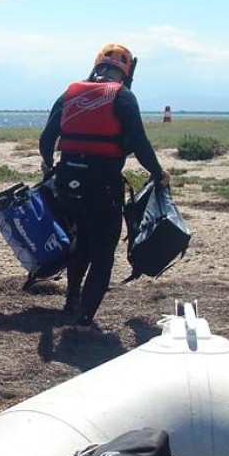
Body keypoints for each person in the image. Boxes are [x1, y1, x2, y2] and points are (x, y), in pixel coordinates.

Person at [38, 43, 169, 329]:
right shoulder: (123, 96)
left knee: (79, 244)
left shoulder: (70, 92)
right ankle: (85, 318)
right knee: (102, 255)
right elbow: (140, 145)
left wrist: (47, 165)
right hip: (102, 190)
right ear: (126, 73)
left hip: (67, 188)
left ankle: (72, 300)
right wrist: (158, 173)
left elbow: (46, 139)